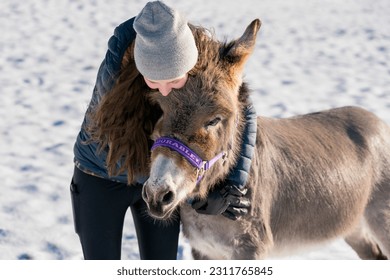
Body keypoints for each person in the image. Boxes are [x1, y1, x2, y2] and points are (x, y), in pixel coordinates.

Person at [70, 1, 257, 260]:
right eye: (154, 81)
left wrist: (229, 186)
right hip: (101, 175)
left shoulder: (203, 59)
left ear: (191, 63)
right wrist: (189, 182)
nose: (165, 89)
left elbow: (238, 109)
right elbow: (124, 134)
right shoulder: (119, 59)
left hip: (156, 176)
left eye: (175, 80)